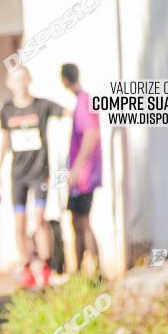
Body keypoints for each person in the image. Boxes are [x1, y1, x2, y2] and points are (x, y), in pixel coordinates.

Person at [0, 65, 68, 289]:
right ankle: (26, 267)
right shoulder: (7, 109)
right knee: (19, 222)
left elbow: (69, 113)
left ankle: (46, 267)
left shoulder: (42, 105)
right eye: (15, 80)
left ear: (29, 80)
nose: (19, 84)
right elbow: (5, 138)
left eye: (23, 79)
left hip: (40, 173)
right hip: (18, 175)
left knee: (38, 219)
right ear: (9, 83)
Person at [61, 63, 102, 274]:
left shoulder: (84, 102)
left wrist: (77, 168)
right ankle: (78, 271)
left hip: (84, 176)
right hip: (84, 175)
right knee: (76, 221)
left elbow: (91, 134)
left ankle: (96, 272)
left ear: (64, 80)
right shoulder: (82, 101)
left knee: (83, 222)